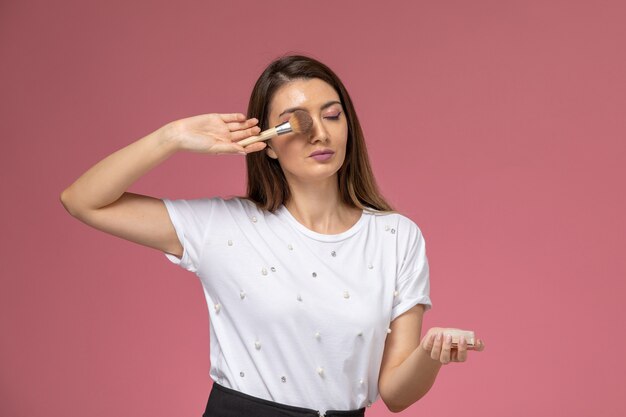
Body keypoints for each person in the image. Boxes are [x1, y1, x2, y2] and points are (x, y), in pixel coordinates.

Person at [60, 54, 485, 417]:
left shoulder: (397, 237)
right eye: (295, 123)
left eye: (333, 115)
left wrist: (430, 354)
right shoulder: (223, 227)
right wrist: (171, 137)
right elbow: (83, 200)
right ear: (268, 144)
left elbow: (394, 394)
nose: (320, 132)